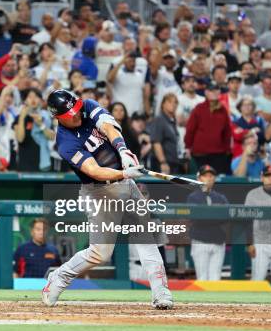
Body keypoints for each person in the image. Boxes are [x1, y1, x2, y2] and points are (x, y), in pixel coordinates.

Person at [42, 89, 173, 310]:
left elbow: (108, 127)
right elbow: (93, 170)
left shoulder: (88, 106)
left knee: (145, 236)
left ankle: (161, 293)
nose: (75, 115)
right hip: (98, 192)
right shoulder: (64, 143)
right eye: (69, 114)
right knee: (100, 253)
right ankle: (60, 276)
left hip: (125, 185)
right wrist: (124, 173)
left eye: (76, 109)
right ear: (58, 117)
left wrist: (123, 151)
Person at [187, 165, 229, 281]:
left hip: (218, 241)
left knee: (215, 279)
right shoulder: (193, 197)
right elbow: (196, 219)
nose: (209, 178)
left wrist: (208, 215)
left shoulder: (221, 198)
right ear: (199, 179)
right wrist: (215, 215)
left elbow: (226, 218)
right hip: (200, 241)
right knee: (202, 278)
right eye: (205, 176)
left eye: (211, 176)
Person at [184, 82, 232, 174]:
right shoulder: (199, 108)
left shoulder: (223, 110)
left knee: (217, 183)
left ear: (219, 92)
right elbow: (190, 129)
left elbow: (227, 132)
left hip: (219, 155)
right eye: (211, 90)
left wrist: (227, 150)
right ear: (206, 92)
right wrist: (188, 147)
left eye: (216, 90)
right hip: (200, 154)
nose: (214, 92)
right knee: (200, 182)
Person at [149, 93, 181, 174]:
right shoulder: (159, 120)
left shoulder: (171, 121)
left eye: (175, 102)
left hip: (173, 163)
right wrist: (163, 162)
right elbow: (156, 143)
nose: (173, 104)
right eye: (170, 102)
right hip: (163, 164)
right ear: (163, 104)